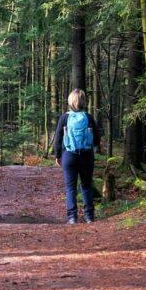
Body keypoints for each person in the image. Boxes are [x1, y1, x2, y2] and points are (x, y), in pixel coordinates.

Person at [52, 88, 101, 224]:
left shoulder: (65, 117)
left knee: (70, 188)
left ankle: (72, 217)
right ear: (83, 101)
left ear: (70, 101)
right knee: (86, 186)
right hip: (86, 155)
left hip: (69, 155)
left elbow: (58, 138)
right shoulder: (89, 117)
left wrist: (58, 155)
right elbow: (97, 139)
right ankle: (89, 216)